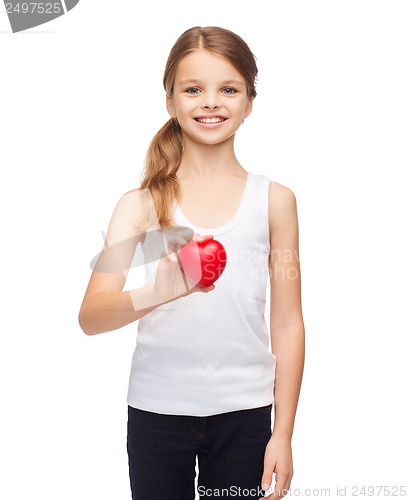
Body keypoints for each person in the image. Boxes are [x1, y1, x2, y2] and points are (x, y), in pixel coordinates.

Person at [78, 26, 305, 500]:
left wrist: (282, 433)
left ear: (249, 102)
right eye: (193, 89)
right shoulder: (140, 206)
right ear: (170, 101)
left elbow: (286, 322)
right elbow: (92, 316)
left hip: (245, 415)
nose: (211, 102)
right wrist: (161, 290)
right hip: (156, 415)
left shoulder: (274, 201)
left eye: (228, 89)